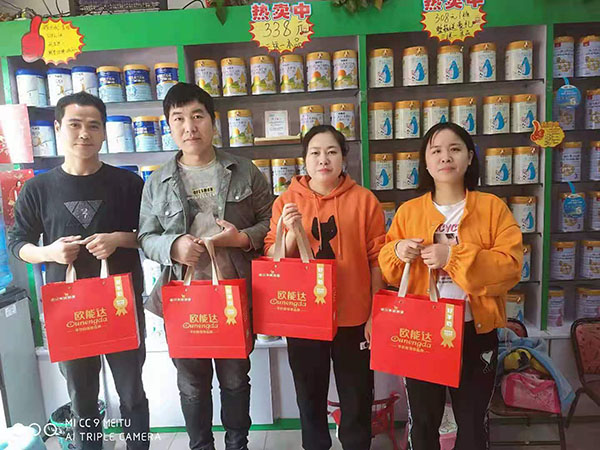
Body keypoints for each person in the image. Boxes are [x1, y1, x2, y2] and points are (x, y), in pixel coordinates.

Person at [9, 92, 150, 450]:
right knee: (82, 399)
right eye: (75, 124)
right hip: (70, 313)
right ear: (58, 128)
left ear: (103, 132)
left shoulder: (128, 184)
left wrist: (118, 239)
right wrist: (50, 252)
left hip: (121, 306)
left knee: (132, 393)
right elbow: (18, 243)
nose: (84, 133)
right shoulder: (38, 189)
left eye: (93, 126)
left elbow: (152, 237)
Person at [138, 82, 272, 450]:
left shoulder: (244, 171)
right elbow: (145, 237)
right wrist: (173, 246)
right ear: (169, 126)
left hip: (234, 298)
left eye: (197, 116)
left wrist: (241, 239)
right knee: (192, 385)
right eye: (178, 119)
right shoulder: (157, 182)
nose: (189, 127)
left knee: (235, 380)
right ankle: (200, 446)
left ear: (213, 121)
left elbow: (269, 223)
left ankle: (237, 444)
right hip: (183, 301)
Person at [378, 122, 523, 450]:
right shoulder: (409, 212)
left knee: (472, 422)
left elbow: (510, 268)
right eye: (436, 151)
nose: (446, 157)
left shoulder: (492, 208)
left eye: (455, 149)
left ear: (470, 158)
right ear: (426, 163)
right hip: (421, 332)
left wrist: (453, 257)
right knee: (423, 421)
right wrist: (397, 250)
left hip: (476, 330)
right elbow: (388, 269)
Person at [263, 125, 387, 450]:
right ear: (304, 159)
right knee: (309, 394)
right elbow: (273, 260)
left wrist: (375, 313)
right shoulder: (286, 202)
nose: (323, 159)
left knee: (357, 395)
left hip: (354, 317)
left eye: (331, 152)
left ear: (343, 157)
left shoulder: (365, 201)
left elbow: (378, 260)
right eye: (315, 153)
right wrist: (290, 233)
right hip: (304, 319)